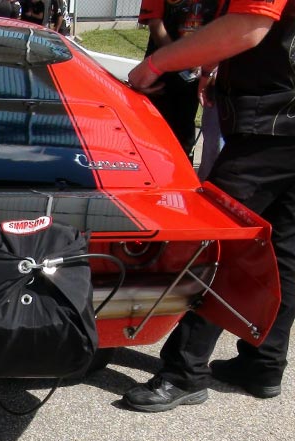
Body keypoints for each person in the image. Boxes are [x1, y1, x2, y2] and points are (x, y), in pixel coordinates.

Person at [123, 0, 295, 410]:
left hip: (272, 125)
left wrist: (157, 63)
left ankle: (185, 372)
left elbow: (249, 25)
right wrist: (215, 65)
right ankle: (264, 362)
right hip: (281, 121)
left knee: (215, 245)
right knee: (284, 247)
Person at [137, 0, 217, 156]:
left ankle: (183, 172)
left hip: (195, 74)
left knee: (184, 133)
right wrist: (182, 60)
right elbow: (155, 25)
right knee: (153, 131)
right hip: (161, 73)